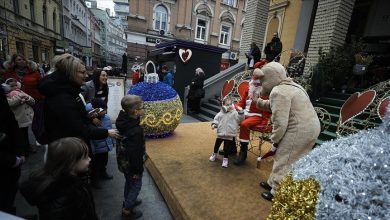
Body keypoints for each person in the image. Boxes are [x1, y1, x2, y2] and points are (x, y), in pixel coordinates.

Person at [254, 62, 320, 201]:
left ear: (269, 78)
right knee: (291, 159)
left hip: (298, 130)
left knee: (285, 158)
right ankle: (273, 182)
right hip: (310, 128)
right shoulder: (292, 86)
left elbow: (280, 122)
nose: (262, 85)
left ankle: (276, 192)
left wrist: (275, 140)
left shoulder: (279, 91)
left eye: (263, 81)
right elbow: (274, 105)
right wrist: (258, 102)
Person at [37, 53, 119, 144]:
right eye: (82, 72)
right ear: (70, 73)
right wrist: (106, 132)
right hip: (69, 148)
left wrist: (90, 115)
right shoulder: (62, 98)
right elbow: (78, 129)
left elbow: (79, 117)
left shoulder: (70, 91)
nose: (87, 76)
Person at [20, 137, 98, 220]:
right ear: (71, 163)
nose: (90, 159)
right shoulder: (67, 196)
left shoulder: (73, 179)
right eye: (85, 157)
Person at [234, 62, 270, 165]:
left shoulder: (265, 92)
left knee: (244, 124)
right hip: (245, 113)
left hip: (257, 116)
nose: (254, 84)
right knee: (231, 118)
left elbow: (267, 108)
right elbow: (241, 102)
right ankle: (230, 146)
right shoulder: (249, 89)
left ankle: (243, 153)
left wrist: (265, 120)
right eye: (253, 82)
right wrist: (237, 107)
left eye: (257, 83)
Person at [116, 95, 145, 219]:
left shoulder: (124, 121)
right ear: (135, 111)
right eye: (143, 107)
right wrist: (138, 170)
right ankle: (127, 210)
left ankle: (128, 200)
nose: (145, 109)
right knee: (136, 184)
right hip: (132, 164)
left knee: (129, 182)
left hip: (124, 162)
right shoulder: (135, 131)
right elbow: (136, 153)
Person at [0, 85, 25, 215]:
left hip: (11, 159)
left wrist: (19, 151)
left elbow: (10, 122)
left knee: (8, 196)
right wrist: (11, 160)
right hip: (6, 160)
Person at [86, 98, 115, 185]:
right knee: (95, 164)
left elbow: (110, 130)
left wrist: (112, 143)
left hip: (105, 146)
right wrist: (91, 120)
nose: (105, 112)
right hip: (96, 147)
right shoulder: (90, 120)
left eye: (106, 110)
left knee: (104, 161)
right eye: (103, 110)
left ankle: (103, 172)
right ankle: (95, 179)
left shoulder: (106, 118)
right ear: (96, 110)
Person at [209, 98, 244, 168]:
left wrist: (241, 112)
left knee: (226, 148)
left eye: (230, 104)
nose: (229, 106)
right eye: (227, 105)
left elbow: (240, 119)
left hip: (229, 133)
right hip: (220, 133)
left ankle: (225, 159)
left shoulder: (234, 113)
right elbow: (216, 119)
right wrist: (214, 124)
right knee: (217, 145)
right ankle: (214, 154)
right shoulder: (220, 113)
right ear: (223, 105)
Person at [4, 78, 35, 156]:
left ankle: (28, 147)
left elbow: (32, 101)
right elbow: (11, 103)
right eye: (12, 86)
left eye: (16, 85)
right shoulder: (7, 95)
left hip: (26, 117)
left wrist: (27, 98)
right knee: (20, 136)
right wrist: (21, 96)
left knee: (26, 134)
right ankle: (23, 150)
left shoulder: (20, 92)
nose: (15, 87)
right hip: (18, 119)